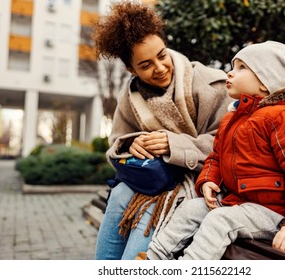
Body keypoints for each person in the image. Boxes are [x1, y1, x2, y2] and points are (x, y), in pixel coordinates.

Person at [146, 41, 285, 260]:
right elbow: (217, 157)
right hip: (238, 204)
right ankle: (152, 259)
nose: (230, 74)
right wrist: (209, 180)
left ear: (264, 82)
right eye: (233, 66)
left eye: (241, 68)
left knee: (219, 220)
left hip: (273, 213)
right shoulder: (232, 119)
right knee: (192, 208)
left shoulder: (283, 117)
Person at [94, 1, 233, 260]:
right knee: (120, 194)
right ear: (130, 69)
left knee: (152, 201)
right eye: (145, 65)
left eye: (162, 55)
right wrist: (130, 144)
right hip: (156, 179)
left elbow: (229, 143)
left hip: (203, 184)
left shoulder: (210, 83)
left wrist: (174, 145)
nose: (159, 68)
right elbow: (116, 143)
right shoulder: (130, 97)